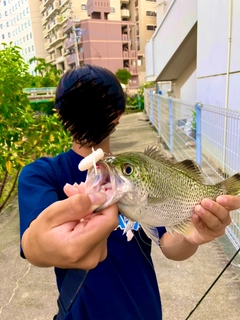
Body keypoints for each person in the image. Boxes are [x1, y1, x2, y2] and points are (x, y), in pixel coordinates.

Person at [18, 65, 240, 320]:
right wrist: (45, 244)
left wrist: (193, 233)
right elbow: (34, 244)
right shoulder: (42, 174)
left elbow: (169, 245)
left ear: (117, 114)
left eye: (98, 105)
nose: (89, 113)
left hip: (144, 311)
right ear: (61, 114)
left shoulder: (139, 170)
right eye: (79, 105)